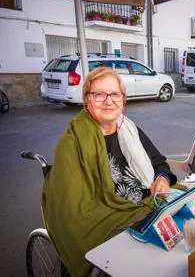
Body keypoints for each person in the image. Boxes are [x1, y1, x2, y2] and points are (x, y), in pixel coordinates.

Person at [42, 67, 178, 276]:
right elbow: (73, 210)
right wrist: (131, 221)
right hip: (113, 222)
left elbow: (159, 162)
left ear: (123, 101)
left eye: (115, 94)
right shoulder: (71, 142)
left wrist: (161, 179)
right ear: (86, 100)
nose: (108, 101)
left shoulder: (130, 129)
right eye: (99, 94)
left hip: (147, 209)